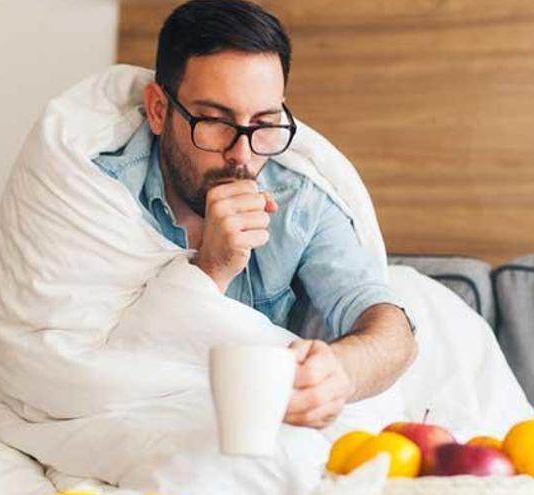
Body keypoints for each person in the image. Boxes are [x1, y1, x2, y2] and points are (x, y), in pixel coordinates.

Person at [93, 0, 416, 429]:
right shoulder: (102, 192)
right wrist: (213, 268)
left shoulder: (299, 201)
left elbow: (393, 333)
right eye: (213, 120)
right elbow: (88, 366)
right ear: (158, 110)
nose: (241, 155)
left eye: (264, 122)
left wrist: (341, 371)